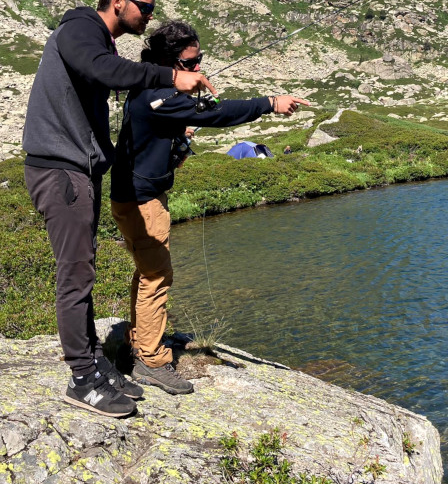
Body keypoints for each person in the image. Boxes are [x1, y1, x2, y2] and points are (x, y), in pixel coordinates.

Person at [22, 0, 217, 418]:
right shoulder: (78, 29)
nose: (149, 16)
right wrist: (170, 78)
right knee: (75, 275)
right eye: (144, 7)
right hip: (60, 169)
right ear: (118, 1)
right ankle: (82, 378)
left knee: (84, 270)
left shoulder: (98, 39)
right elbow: (104, 70)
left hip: (80, 170)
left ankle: (94, 362)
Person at [110, 20, 309, 394]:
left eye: (200, 59)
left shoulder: (152, 90)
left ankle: (139, 338)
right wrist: (269, 104)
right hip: (141, 200)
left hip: (137, 194)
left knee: (147, 270)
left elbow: (197, 112)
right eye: (192, 62)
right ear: (171, 64)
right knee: (157, 276)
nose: (199, 67)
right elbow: (216, 114)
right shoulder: (159, 97)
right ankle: (150, 361)